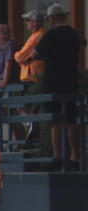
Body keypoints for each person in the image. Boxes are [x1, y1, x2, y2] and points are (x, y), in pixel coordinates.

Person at [33, 2, 81, 170]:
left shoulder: (50, 35)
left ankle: (58, 156)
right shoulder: (74, 34)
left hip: (52, 82)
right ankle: (75, 155)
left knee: (55, 121)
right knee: (71, 120)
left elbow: (35, 54)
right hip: (71, 81)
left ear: (52, 18)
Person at [15, 10, 45, 87]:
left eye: (28, 20)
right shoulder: (37, 35)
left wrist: (16, 54)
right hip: (32, 76)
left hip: (32, 77)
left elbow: (19, 57)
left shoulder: (36, 37)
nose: (26, 23)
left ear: (35, 22)